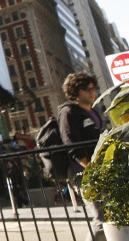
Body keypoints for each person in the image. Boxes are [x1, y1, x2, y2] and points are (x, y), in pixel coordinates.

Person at [58, 72, 104, 240]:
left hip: (100, 170)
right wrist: (90, 167)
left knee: (110, 215)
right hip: (83, 172)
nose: (92, 92)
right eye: (87, 89)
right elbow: (71, 144)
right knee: (101, 218)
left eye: (94, 88)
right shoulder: (68, 112)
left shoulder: (94, 112)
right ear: (75, 91)